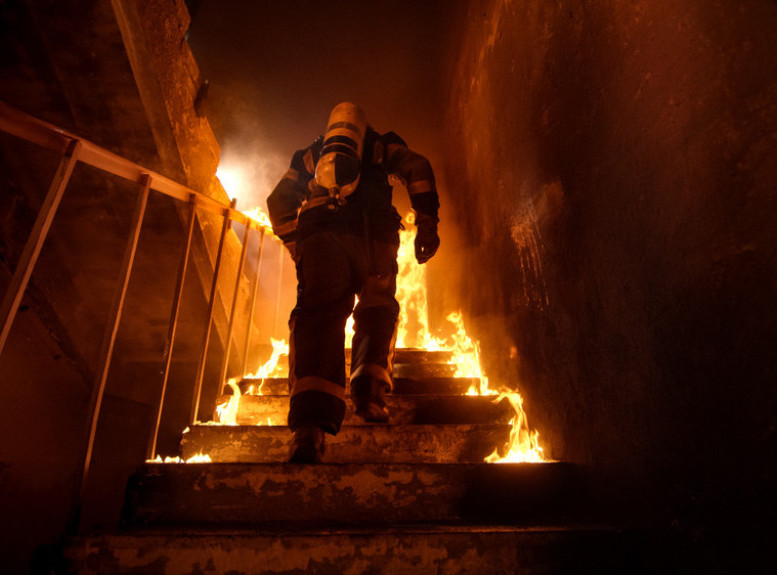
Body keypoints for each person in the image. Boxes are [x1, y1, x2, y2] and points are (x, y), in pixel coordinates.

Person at [267, 102, 440, 463]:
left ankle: (309, 432)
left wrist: (297, 245)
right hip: (374, 241)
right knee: (378, 310)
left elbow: (279, 200)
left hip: (321, 244)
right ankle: (369, 393)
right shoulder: (382, 146)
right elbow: (418, 168)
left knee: (318, 320)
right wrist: (426, 222)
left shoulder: (311, 154)